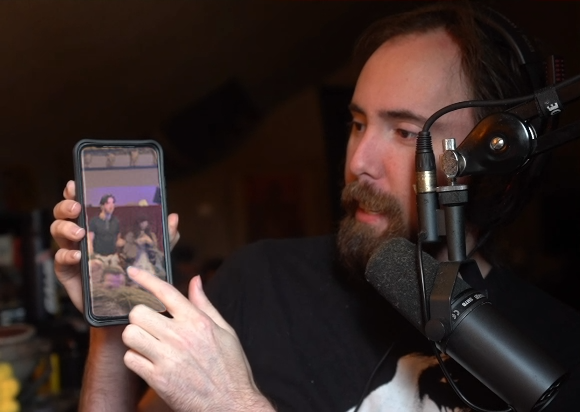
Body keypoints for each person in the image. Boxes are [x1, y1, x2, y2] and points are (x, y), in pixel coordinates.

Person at [50, 2, 580, 411]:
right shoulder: (259, 278)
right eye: (357, 123)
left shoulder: (557, 349)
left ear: (494, 160)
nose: (359, 161)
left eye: (405, 133)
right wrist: (112, 326)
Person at [88, 194, 126, 266]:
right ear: (102, 206)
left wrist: (123, 243)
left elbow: (118, 239)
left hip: (113, 257)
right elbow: (90, 240)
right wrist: (92, 256)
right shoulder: (94, 221)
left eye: (113, 203)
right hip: (99, 257)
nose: (111, 206)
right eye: (108, 203)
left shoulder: (116, 221)